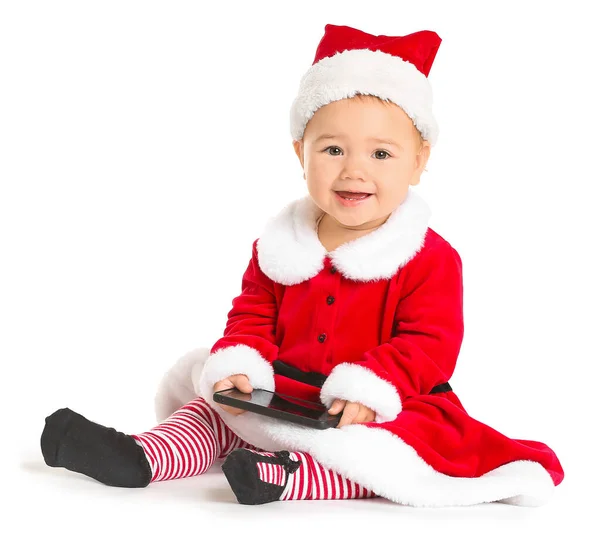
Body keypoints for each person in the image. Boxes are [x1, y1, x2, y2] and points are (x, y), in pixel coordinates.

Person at [40, 23, 564, 507]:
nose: (354, 170)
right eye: (333, 149)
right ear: (301, 153)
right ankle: (143, 456)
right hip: (284, 391)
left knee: (379, 452)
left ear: (419, 161)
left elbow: (429, 344)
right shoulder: (280, 243)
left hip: (384, 405)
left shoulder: (428, 257)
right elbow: (252, 313)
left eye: (381, 155)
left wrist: (366, 389)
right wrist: (243, 366)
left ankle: (288, 476)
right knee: (215, 410)